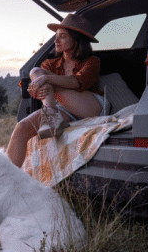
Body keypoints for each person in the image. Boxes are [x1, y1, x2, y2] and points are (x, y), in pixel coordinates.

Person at [7, 13, 109, 168]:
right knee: (22, 127)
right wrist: (36, 89)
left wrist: (46, 79)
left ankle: (50, 116)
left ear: (76, 39)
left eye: (62, 36)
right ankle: (6, 178)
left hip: (89, 106)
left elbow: (76, 82)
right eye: (56, 36)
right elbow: (40, 87)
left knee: (43, 78)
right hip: (61, 109)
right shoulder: (50, 64)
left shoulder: (92, 61)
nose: (56, 41)